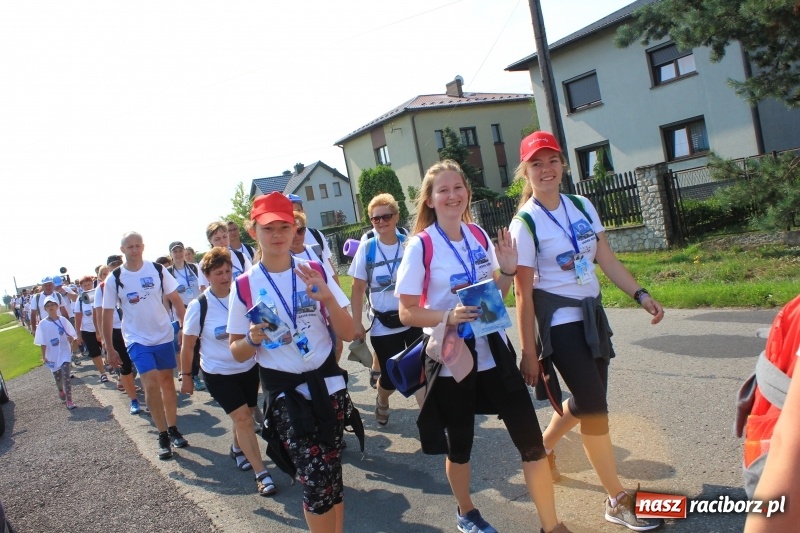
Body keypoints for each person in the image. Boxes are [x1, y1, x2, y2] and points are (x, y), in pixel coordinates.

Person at [395, 160, 570, 533]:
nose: (452, 195)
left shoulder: (476, 235)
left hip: (494, 351)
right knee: (460, 446)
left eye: (458, 188)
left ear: (467, 193)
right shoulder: (420, 246)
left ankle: (550, 525)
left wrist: (506, 271)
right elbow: (407, 313)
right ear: (429, 199)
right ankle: (466, 511)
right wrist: (447, 316)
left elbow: (496, 298)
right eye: (443, 190)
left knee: (531, 441)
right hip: (452, 358)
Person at [508, 131, 665, 532]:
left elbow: (606, 259)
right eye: (536, 163)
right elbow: (523, 294)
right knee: (596, 407)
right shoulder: (524, 222)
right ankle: (616, 499)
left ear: (563, 165)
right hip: (558, 325)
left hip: (593, 319)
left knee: (587, 400)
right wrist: (528, 352)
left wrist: (640, 294)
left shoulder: (581, 205)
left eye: (552, 161)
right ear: (525, 171)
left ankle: (544, 447)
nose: (546, 169)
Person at [228, 192, 359, 533]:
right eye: (268, 227)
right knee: (315, 480)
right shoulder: (243, 285)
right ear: (252, 230)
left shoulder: (313, 270)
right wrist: (253, 338)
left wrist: (327, 296)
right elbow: (237, 352)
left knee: (333, 473)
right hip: (287, 395)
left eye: (285, 226)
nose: (277, 234)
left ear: (295, 228)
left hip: (328, 385)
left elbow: (349, 331)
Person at [179, 247, 277, 496]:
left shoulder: (243, 296)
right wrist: (187, 377)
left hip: (248, 367)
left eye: (228, 271)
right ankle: (261, 473)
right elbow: (188, 344)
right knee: (243, 418)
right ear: (207, 275)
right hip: (217, 372)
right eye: (218, 272)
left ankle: (237, 449)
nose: (225, 277)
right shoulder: (199, 306)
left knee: (244, 413)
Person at [102, 232, 189, 459]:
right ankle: (162, 435)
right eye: (129, 246)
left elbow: (177, 300)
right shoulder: (116, 278)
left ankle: (172, 428)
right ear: (123, 250)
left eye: (137, 245)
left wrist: (184, 328)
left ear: (143, 247)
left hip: (162, 335)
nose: (134, 250)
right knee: (150, 383)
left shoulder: (157, 270)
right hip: (136, 339)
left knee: (167, 384)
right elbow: (107, 313)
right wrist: (109, 348)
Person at [349, 193, 422, 425]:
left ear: (396, 217)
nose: (381, 222)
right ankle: (382, 398)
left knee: (420, 371)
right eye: (375, 219)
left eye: (386, 216)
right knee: (390, 379)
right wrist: (357, 322)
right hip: (383, 325)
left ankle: (431, 422)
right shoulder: (367, 248)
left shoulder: (409, 244)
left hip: (412, 317)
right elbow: (358, 288)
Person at [34, 295, 79, 409]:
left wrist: (71, 339)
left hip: (64, 351)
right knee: (58, 377)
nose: (50, 307)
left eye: (52, 305)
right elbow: (42, 342)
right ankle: (60, 390)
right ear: (45, 309)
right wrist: (44, 357)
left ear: (57, 306)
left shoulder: (63, 320)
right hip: (52, 354)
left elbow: (72, 335)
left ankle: (69, 401)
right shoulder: (42, 324)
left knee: (66, 375)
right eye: (48, 306)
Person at [74, 275, 108, 382]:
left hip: (102, 328)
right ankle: (102, 373)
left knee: (107, 349)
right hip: (88, 330)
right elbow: (78, 318)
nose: (88, 287)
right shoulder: (80, 300)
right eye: (85, 285)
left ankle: (110, 364)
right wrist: (78, 334)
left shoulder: (100, 294)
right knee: (95, 353)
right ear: (81, 287)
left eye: (89, 284)